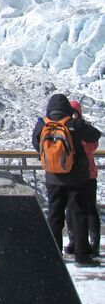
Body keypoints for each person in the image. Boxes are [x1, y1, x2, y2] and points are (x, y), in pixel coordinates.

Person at [32, 93, 101, 267]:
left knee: (55, 215)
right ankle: (82, 256)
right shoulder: (73, 124)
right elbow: (94, 135)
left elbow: (35, 142)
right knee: (79, 215)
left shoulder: (42, 124)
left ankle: (54, 254)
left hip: (53, 178)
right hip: (76, 179)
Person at [65, 99, 101, 258]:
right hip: (82, 174)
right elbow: (93, 145)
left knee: (83, 208)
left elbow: (92, 145)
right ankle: (80, 242)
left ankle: (87, 242)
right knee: (77, 208)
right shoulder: (78, 127)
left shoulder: (74, 127)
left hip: (81, 175)